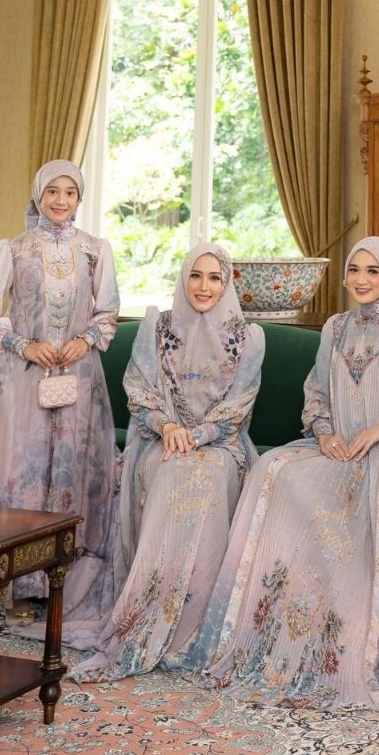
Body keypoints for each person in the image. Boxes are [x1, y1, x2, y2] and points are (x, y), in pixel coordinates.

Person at [171, 236, 379, 708]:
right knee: (271, 467)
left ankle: (334, 644)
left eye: (373, 271)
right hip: (334, 445)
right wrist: (325, 431)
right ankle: (259, 633)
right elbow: (315, 392)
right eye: (354, 270)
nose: (361, 279)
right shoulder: (336, 327)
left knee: (331, 496)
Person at [69, 243, 265, 679]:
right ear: (183, 278)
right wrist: (169, 427)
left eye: (214, 278)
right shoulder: (157, 328)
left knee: (209, 476)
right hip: (159, 437)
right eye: (195, 275)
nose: (203, 286)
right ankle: (152, 606)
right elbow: (138, 391)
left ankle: (196, 620)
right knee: (171, 469)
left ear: (227, 283)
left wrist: (197, 435)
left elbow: (239, 405)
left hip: (221, 444)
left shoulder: (248, 337)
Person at [0, 159, 121, 624]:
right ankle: (18, 586)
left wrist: (84, 340)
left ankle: (64, 583)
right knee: (24, 471)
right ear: (38, 194)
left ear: (79, 198)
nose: (60, 200)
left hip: (79, 378)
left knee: (72, 471)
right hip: (23, 378)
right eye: (52, 191)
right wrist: (24, 345)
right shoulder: (12, 249)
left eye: (70, 192)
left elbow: (108, 312)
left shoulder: (95, 250)